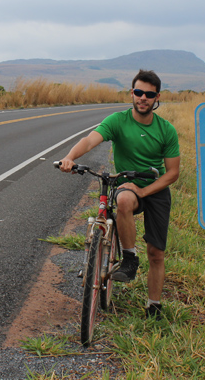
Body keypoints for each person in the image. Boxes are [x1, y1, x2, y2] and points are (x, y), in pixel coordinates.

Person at [58, 69, 180, 320]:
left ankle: (154, 307)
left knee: (157, 253)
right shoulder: (117, 121)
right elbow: (90, 140)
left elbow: (172, 173)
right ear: (131, 94)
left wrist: (144, 189)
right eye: (138, 92)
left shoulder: (166, 130)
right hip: (127, 186)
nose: (142, 98)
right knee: (123, 198)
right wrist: (70, 157)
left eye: (148, 94)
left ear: (157, 97)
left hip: (154, 189)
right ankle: (129, 258)